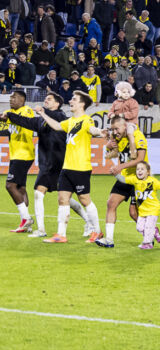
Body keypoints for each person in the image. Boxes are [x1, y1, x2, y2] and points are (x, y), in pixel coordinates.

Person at [4, 91, 91, 238]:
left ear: (57, 104)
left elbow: (56, 118)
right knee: (60, 197)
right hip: (48, 165)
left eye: (49, 99)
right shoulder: (42, 120)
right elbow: (26, 122)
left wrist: (44, 112)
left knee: (49, 195)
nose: (46, 101)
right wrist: (10, 116)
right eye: (45, 99)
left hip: (58, 163)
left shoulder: (60, 117)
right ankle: (86, 222)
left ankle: (44, 229)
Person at [35, 91, 104, 244]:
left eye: (74, 99)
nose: (70, 101)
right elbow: (57, 126)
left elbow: (93, 130)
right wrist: (42, 114)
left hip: (81, 167)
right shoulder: (71, 121)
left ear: (82, 104)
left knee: (85, 200)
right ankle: (61, 234)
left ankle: (97, 232)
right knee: (62, 198)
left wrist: (100, 132)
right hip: (66, 168)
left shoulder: (87, 120)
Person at [100, 115, 146, 249]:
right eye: (112, 130)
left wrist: (120, 166)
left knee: (133, 213)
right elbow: (112, 155)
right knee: (111, 203)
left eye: (117, 129)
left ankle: (148, 236)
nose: (115, 132)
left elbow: (140, 159)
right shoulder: (118, 139)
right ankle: (109, 239)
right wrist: (109, 147)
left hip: (139, 178)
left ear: (124, 126)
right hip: (124, 177)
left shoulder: (138, 136)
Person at [116, 160, 160, 249]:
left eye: (142, 169)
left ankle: (148, 244)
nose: (139, 171)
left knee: (148, 227)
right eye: (138, 169)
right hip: (142, 210)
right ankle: (154, 231)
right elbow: (124, 179)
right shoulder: (134, 179)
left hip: (153, 209)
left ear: (147, 172)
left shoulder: (152, 181)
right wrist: (115, 174)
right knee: (139, 228)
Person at [3, 89, 37, 232]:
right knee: (20, 187)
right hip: (16, 155)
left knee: (10, 185)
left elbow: (22, 121)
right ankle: (26, 223)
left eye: (14, 98)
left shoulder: (27, 111)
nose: (11, 100)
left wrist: (7, 115)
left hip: (23, 155)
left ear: (22, 100)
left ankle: (26, 218)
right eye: (10, 98)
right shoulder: (11, 113)